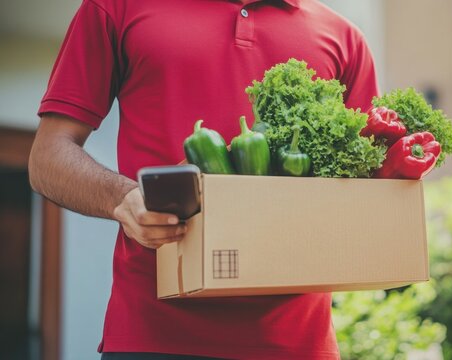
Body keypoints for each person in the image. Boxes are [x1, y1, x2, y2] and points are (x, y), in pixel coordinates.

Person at [29, 0, 378, 359]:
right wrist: (124, 198)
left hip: (298, 343)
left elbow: (369, 176)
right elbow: (48, 157)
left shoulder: (343, 37)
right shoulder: (117, 7)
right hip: (153, 338)